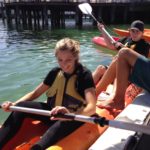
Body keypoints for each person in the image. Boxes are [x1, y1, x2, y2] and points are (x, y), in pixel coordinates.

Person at [0, 38, 96, 149]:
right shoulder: (55, 72)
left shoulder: (84, 75)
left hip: (73, 116)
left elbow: (92, 108)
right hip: (52, 112)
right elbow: (35, 93)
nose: (64, 64)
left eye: (68, 60)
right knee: (21, 106)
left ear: (75, 57)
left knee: (61, 123)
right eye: (60, 60)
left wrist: (69, 116)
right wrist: (13, 105)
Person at [93, 20, 150, 108]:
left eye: (137, 32)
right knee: (100, 68)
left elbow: (140, 61)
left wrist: (123, 48)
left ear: (142, 33)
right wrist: (102, 30)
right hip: (116, 68)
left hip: (129, 73)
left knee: (118, 65)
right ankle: (88, 89)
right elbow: (110, 46)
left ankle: (113, 96)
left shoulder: (144, 45)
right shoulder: (126, 39)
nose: (134, 33)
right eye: (132, 31)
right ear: (129, 31)